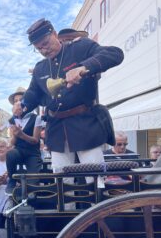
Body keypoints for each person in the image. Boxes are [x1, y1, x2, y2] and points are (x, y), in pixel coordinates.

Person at [21, 18, 124, 180]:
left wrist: (83, 68)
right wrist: (22, 105)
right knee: (62, 183)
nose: (44, 50)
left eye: (46, 43)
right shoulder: (40, 68)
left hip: (85, 126)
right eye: (38, 48)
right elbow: (33, 93)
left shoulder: (80, 48)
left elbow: (115, 54)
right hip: (56, 131)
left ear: (54, 34)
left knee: (95, 179)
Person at [6, 87, 43, 193]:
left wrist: (22, 134)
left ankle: (32, 204)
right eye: (15, 101)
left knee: (32, 184)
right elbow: (12, 142)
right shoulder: (12, 120)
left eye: (21, 100)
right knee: (10, 154)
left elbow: (35, 140)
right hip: (19, 151)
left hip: (33, 153)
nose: (18, 103)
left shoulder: (36, 118)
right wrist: (16, 134)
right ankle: (12, 181)